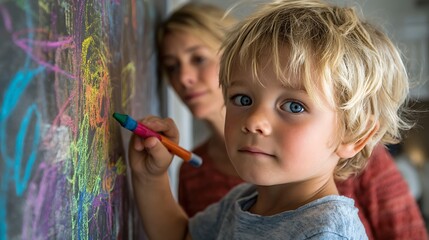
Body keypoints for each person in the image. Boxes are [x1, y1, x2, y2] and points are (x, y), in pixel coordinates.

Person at [129, 0, 424, 238]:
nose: (254, 119)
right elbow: (181, 234)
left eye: (294, 106)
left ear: (355, 135)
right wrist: (150, 176)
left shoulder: (325, 231)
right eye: (243, 99)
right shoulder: (242, 201)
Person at [156, 2, 244, 217]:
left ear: (235, 56)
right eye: (172, 67)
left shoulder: (302, 153)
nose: (183, 78)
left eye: (198, 59)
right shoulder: (192, 170)